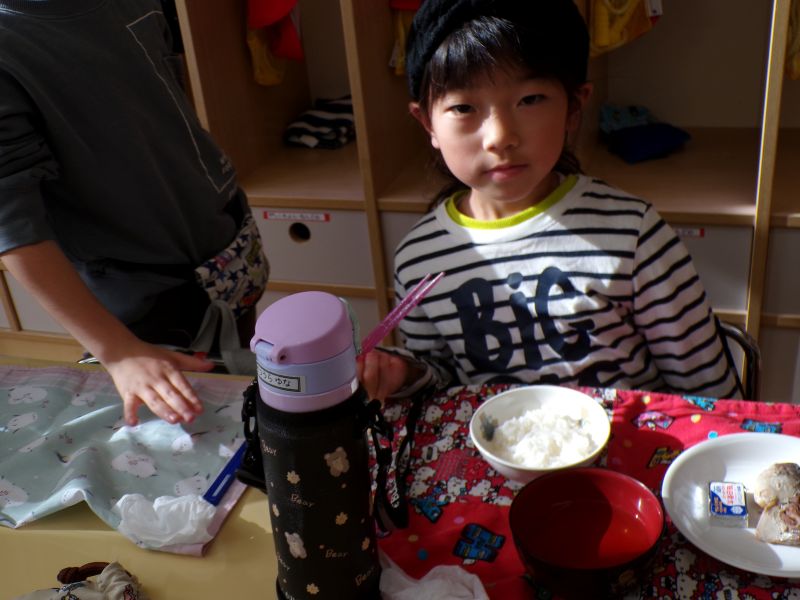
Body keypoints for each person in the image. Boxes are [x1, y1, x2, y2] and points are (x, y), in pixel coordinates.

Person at [357, 0, 739, 402]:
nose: (500, 137)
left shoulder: (634, 235)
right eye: (464, 107)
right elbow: (440, 387)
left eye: (530, 99)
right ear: (427, 123)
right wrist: (405, 374)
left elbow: (712, 395)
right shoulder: (418, 258)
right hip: (489, 441)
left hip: (629, 439)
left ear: (574, 107)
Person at [0, 0, 269, 425]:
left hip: (227, 249)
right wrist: (118, 352)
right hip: (144, 301)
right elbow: (15, 227)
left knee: (255, 401)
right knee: (191, 433)